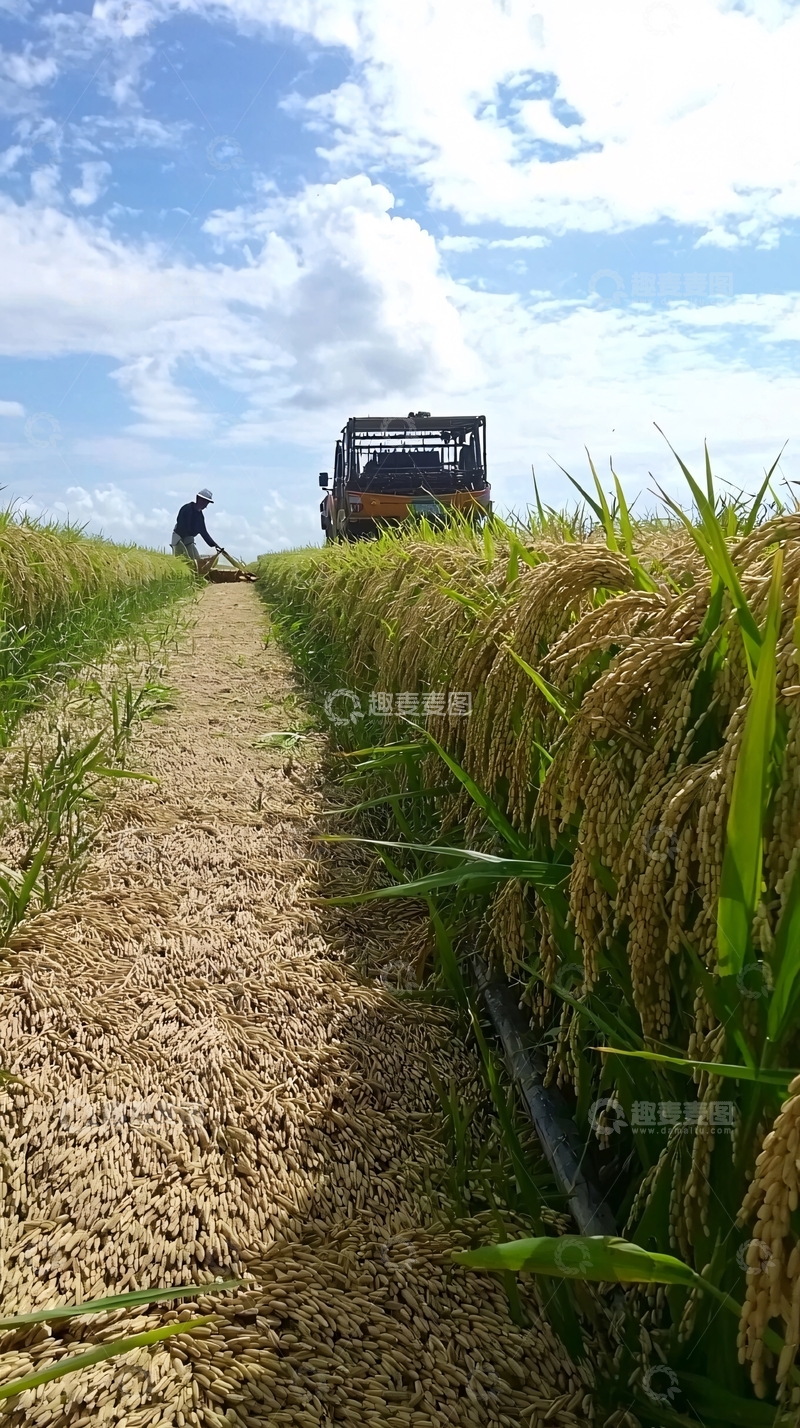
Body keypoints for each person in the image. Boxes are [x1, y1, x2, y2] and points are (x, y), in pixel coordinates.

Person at [171, 489, 221, 563]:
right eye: (203, 500)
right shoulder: (186, 509)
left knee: (197, 561)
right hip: (179, 538)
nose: (205, 503)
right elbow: (181, 526)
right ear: (198, 498)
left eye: (207, 502)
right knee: (184, 561)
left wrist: (215, 545)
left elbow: (204, 533)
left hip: (188, 539)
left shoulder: (200, 517)